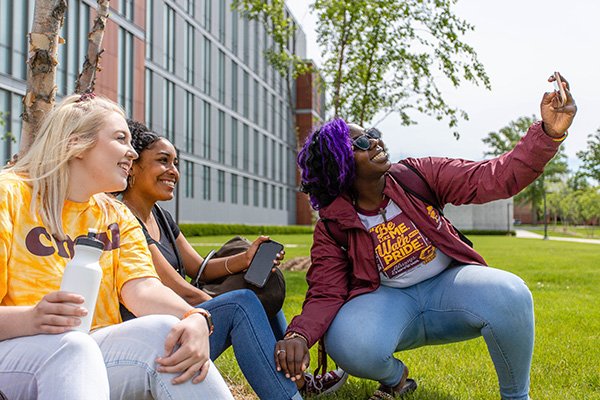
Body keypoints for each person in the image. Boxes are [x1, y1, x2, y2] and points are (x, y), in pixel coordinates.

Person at [275, 74, 577, 400]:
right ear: (341, 166)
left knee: (512, 294)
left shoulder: (416, 176)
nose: (376, 142)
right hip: (389, 303)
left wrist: (549, 133)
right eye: (362, 142)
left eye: (374, 135)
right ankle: (396, 378)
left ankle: (517, 397)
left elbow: (495, 177)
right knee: (345, 341)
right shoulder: (332, 227)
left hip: (448, 287)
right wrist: (299, 335)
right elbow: (325, 293)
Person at [0, 94, 233, 399]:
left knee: (167, 332)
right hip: (15, 350)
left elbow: (143, 290)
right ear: (75, 144)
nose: (132, 153)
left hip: (86, 353)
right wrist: (31, 318)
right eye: (120, 138)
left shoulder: (115, 214)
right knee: (73, 347)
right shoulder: (10, 196)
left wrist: (196, 317)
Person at [119, 120, 347, 398]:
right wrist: (224, 306)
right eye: (163, 161)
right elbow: (181, 290)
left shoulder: (160, 217)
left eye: (175, 163)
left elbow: (198, 267)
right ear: (133, 166)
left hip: (182, 324)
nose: (173, 172)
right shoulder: (124, 219)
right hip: (160, 344)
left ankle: (298, 380)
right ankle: (292, 390)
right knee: (245, 302)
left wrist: (246, 260)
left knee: (259, 289)